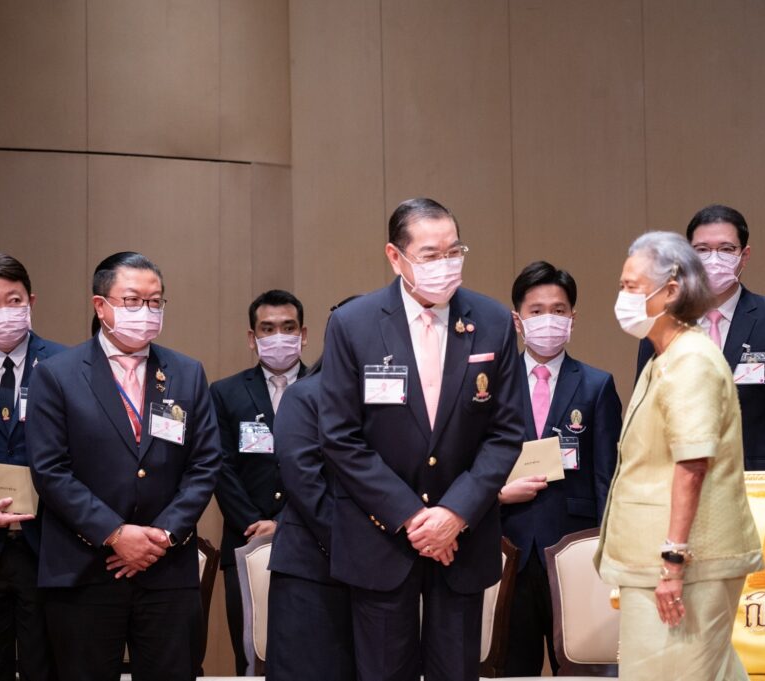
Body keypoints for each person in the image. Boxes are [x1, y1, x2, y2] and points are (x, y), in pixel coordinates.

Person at [319, 197, 525, 680]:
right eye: (431, 255)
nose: (446, 265)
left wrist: (454, 513)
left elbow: (507, 432)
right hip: (381, 539)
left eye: (454, 252)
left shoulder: (492, 322)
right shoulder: (354, 324)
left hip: (463, 539)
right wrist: (413, 517)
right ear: (396, 257)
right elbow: (341, 437)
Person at [27, 252, 222, 681]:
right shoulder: (56, 376)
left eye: (155, 302)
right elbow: (49, 470)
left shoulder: (186, 373)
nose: (146, 313)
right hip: (84, 571)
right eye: (133, 301)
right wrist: (115, 534)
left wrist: (162, 535)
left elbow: (205, 462)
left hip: (166, 570)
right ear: (101, 306)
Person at [597, 231, 763, 681]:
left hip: (686, 563)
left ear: (670, 291)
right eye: (622, 285)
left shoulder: (691, 360)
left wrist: (673, 563)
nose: (622, 297)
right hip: (665, 558)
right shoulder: (662, 358)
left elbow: (691, 466)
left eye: (632, 286)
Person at [498, 261, 622, 675]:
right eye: (536, 311)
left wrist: (607, 550)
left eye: (558, 309)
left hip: (574, 545)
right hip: (508, 543)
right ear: (518, 320)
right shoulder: (491, 386)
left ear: (573, 317)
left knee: (582, 666)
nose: (547, 319)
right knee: (512, 666)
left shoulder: (596, 384)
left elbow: (608, 475)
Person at [636, 205, 765, 470]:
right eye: (702, 250)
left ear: (744, 256)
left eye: (726, 249)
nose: (714, 259)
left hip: (757, 487)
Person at [0, 254, 65, 681]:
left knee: (49, 667)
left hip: (49, 548)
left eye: (14, 299)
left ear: (31, 302)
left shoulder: (67, 367)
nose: (4, 312)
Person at [210, 289, 308, 675]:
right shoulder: (225, 392)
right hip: (244, 540)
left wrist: (284, 523)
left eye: (288, 327)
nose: (278, 337)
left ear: (304, 334)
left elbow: (331, 465)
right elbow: (219, 465)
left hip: (310, 540)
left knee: (310, 653)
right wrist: (254, 523)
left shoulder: (326, 387)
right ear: (252, 338)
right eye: (267, 329)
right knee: (250, 653)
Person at [266, 296, 359, 681]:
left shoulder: (393, 396)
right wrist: (358, 548)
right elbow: (304, 481)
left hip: (377, 574)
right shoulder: (305, 394)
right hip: (311, 569)